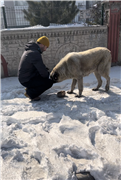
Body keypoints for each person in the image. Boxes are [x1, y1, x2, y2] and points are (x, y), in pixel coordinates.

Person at [18, 36, 54, 101]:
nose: (45, 50)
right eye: (46, 47)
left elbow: (40, 67)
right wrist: (49, 76)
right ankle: (31, 93)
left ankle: (31, 88)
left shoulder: (31, 50)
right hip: (26, 79)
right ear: (42, 44)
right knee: (49, 82)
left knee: (43, 77)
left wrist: (46, 71)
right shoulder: (34, 53)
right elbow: (44, 73)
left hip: (25, 77)